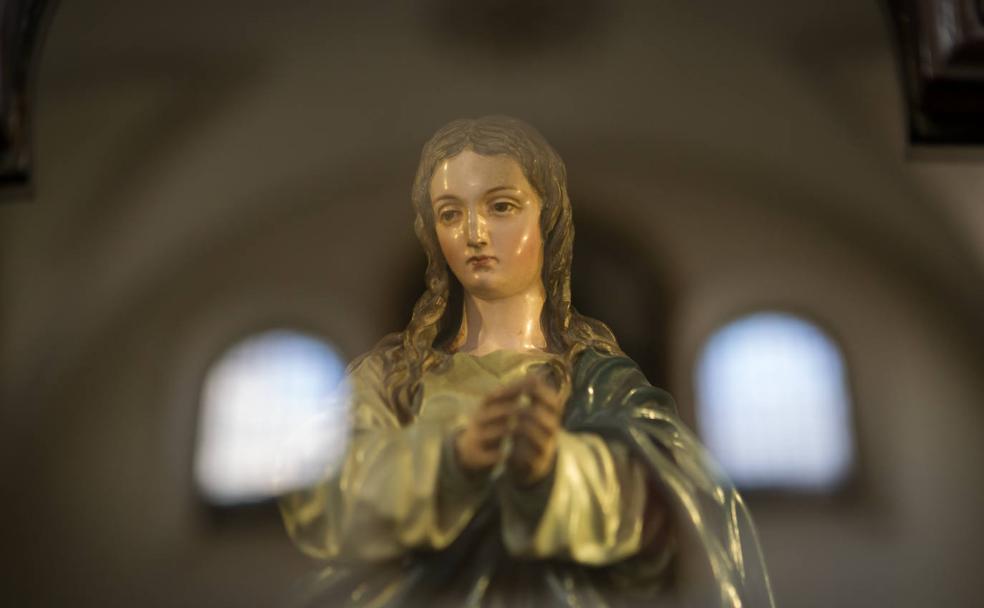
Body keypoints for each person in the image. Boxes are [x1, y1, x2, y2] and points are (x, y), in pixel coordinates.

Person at [279, 116, 774, 607]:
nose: (474, 233)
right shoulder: (391, 375)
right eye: (450, 213)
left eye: (500, 206)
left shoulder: (600, 380)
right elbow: (322, 499)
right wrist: (453, 460)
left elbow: (669, 506)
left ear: (548, 218)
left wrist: (554, 471)